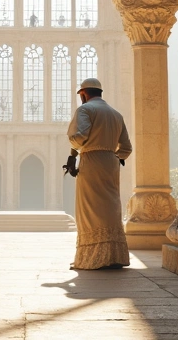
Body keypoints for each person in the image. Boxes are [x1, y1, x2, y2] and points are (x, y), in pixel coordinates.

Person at [67, 78, 133, 270]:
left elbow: (80, 137)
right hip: (111, 163)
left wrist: (73, 149)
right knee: (110, 206)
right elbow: (126, 148)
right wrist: (114, 156)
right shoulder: (116, 115)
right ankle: (114, 256)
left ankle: (93, 257)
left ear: (84, 94)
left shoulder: (85, 110)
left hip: (91, 162)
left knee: (90, 210)